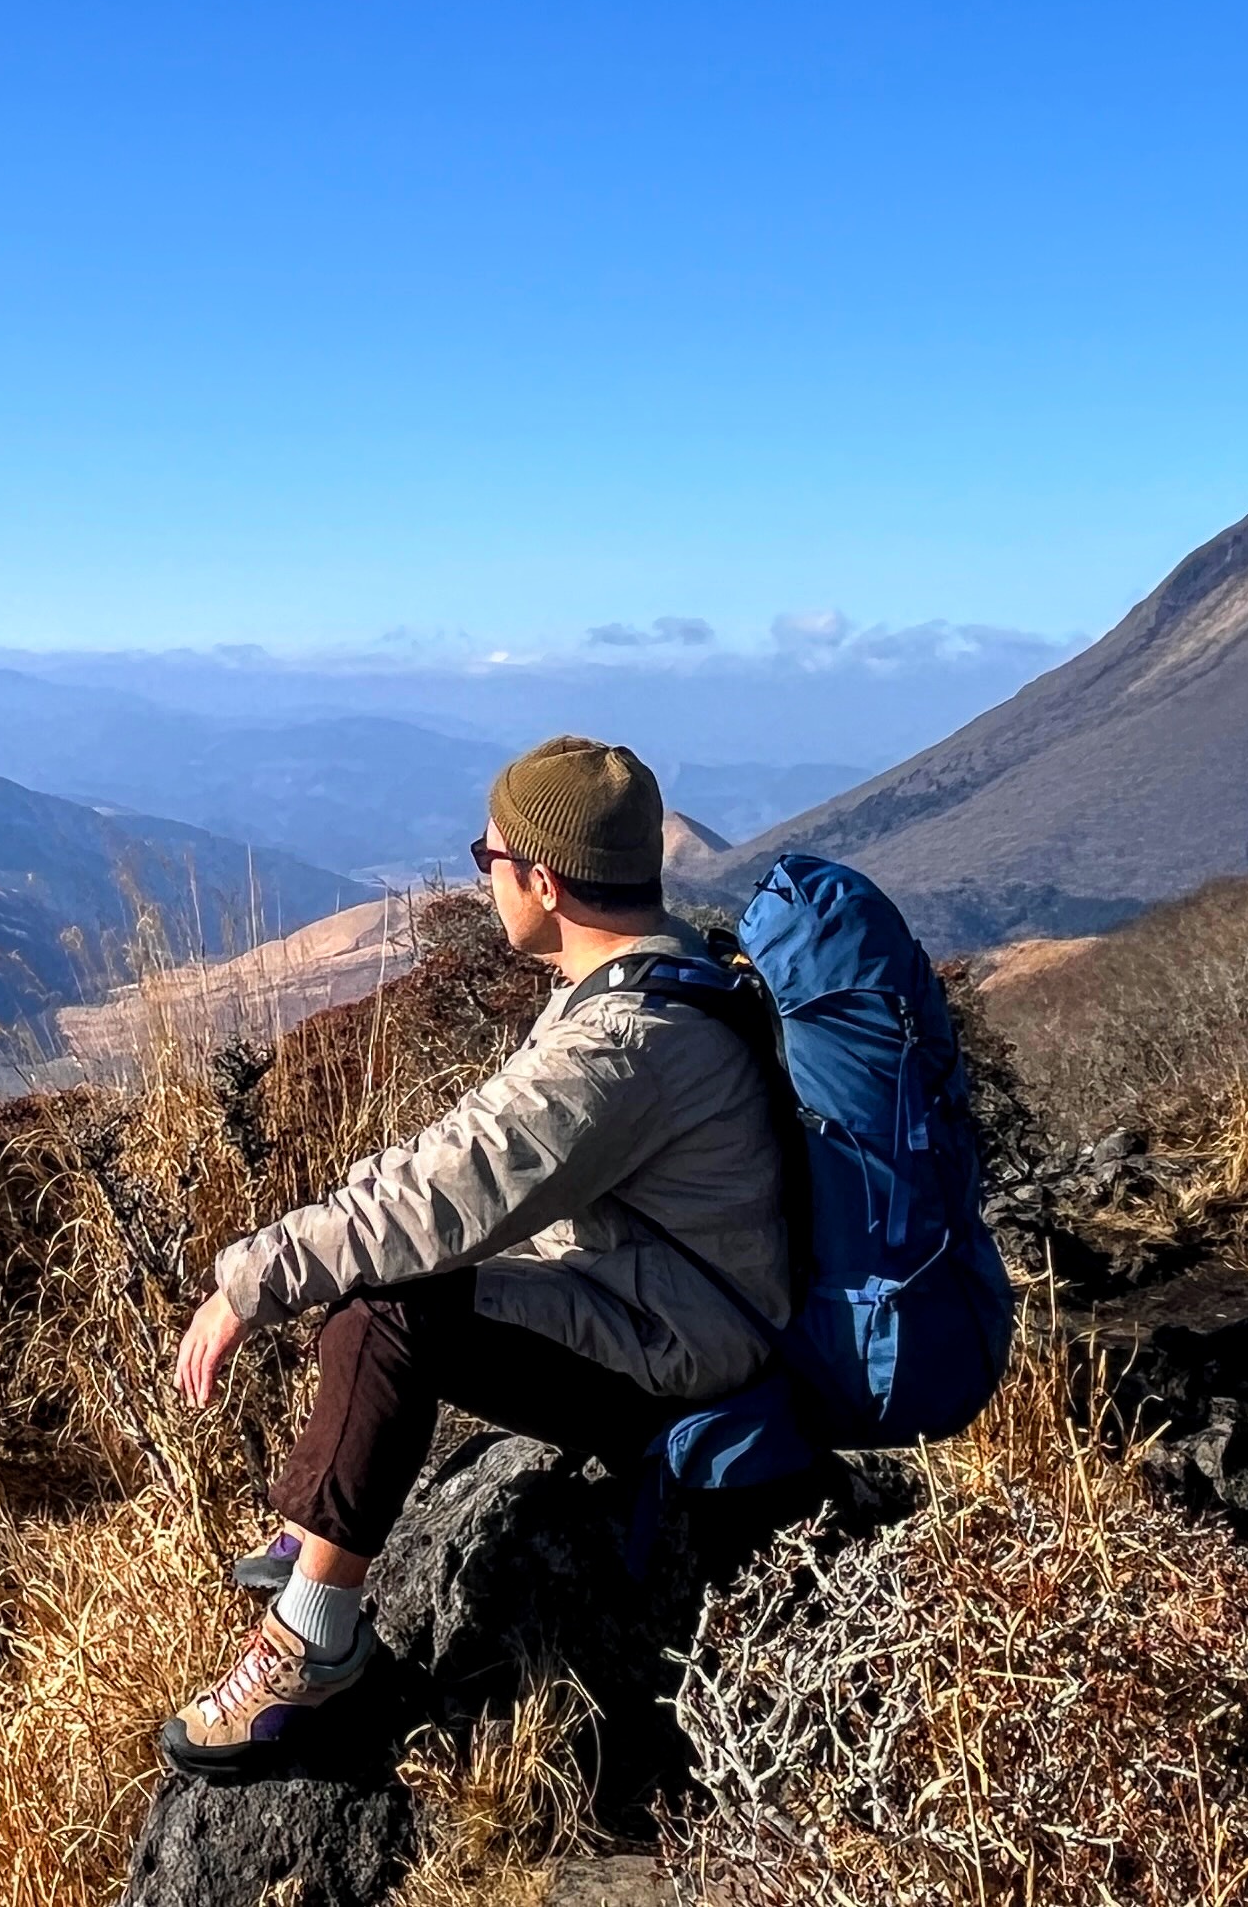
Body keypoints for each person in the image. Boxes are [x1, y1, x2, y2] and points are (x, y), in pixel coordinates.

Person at [159, 735, 791, 1771]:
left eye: (487, 859)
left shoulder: (622, 1043)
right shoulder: (658, 972)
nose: (484, 878)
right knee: (387, 1279)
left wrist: (249, 1282)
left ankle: (315, 1646)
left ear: (543, 881)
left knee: (389, 1310)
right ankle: (315, 1551)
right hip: (661, 1300)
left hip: (681, 1356)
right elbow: (461, 1163)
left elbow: (450, 1195)